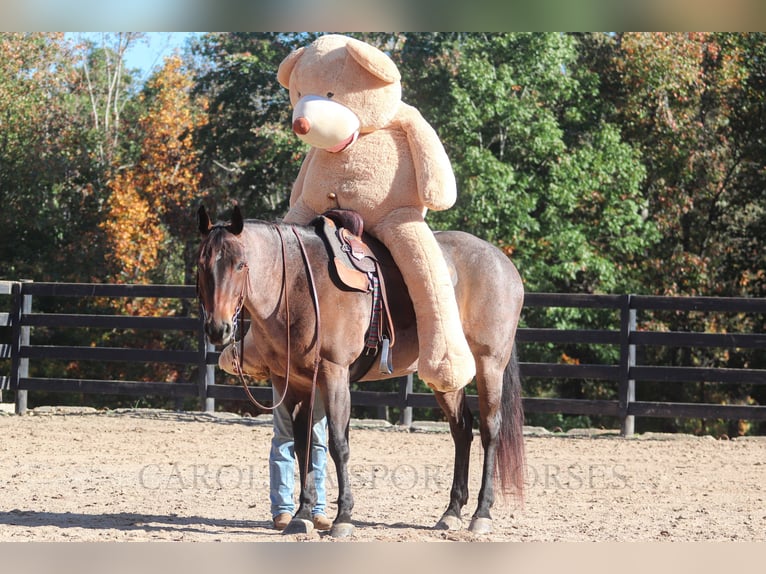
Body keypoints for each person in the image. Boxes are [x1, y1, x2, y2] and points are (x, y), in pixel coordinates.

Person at [270, 386, 332, 531]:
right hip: (284, 371)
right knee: (285, 437)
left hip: (319, 372)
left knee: (317, 438)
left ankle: (317, 508)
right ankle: (283, 509)